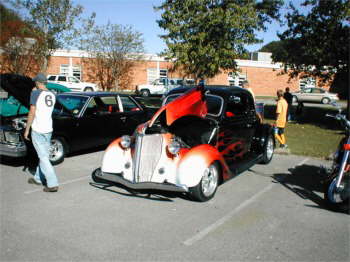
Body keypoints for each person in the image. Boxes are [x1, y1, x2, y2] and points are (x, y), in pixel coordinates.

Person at [24, 73, 59, 192]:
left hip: (38, 130)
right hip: (48, 129)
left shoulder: (35, 93)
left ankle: (52, 183)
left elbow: (32, 112)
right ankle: (38, 178)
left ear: (38, 83)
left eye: (35, 82)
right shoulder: (53, 94)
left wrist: (27, 129)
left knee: (43, 157)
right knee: (43, 155)